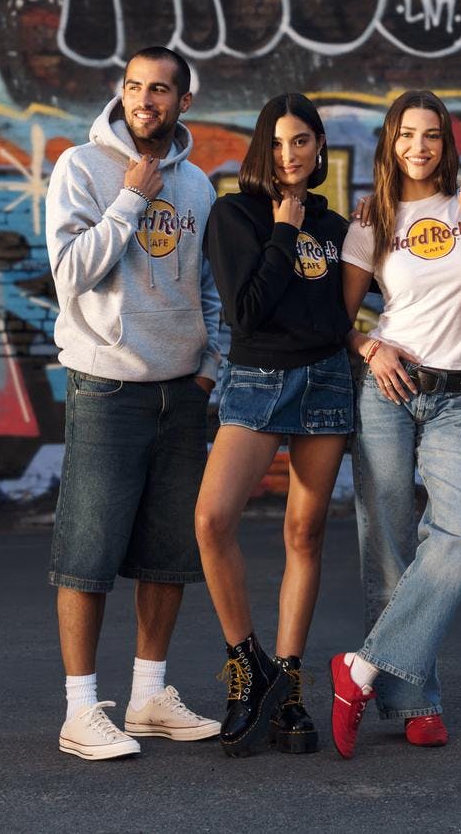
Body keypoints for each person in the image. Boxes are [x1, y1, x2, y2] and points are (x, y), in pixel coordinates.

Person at [328, 90, 461, 759]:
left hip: (455, 398)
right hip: (386, 389)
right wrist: (369, 347)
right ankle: (415, 701)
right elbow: (337, 318)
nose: (419, 147)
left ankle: (359, 670)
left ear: (448, 141)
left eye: (432, 134)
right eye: (407, 135)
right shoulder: (372, 217)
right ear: (391, 141)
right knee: (388, 546)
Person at [45, 46, 223, 760]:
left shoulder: (201, 186)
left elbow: (207, 286)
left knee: (167, 556)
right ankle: (80, 710)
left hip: (182, 390)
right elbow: (71, 275)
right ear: (121, 93)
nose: (144, 99)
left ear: (184, 102)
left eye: (161, 90)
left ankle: (150, 695)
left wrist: (212, 366)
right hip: (107, 388)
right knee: (86, 555)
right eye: (134, 87)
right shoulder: (79, 169)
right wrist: (131, 198)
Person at [196, 93, 353, 758]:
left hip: (323, 383)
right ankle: (246, 667)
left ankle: (288, 687)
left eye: (303, 141)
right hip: (258, 383)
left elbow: (365, 301)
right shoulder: (233, 214)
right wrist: (284, 232)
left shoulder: (336, 224)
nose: (291, 154)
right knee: (211, 520)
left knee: (303, 531)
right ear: (265, 147)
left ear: (319, 148)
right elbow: (247, 311)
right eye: (281, 142)